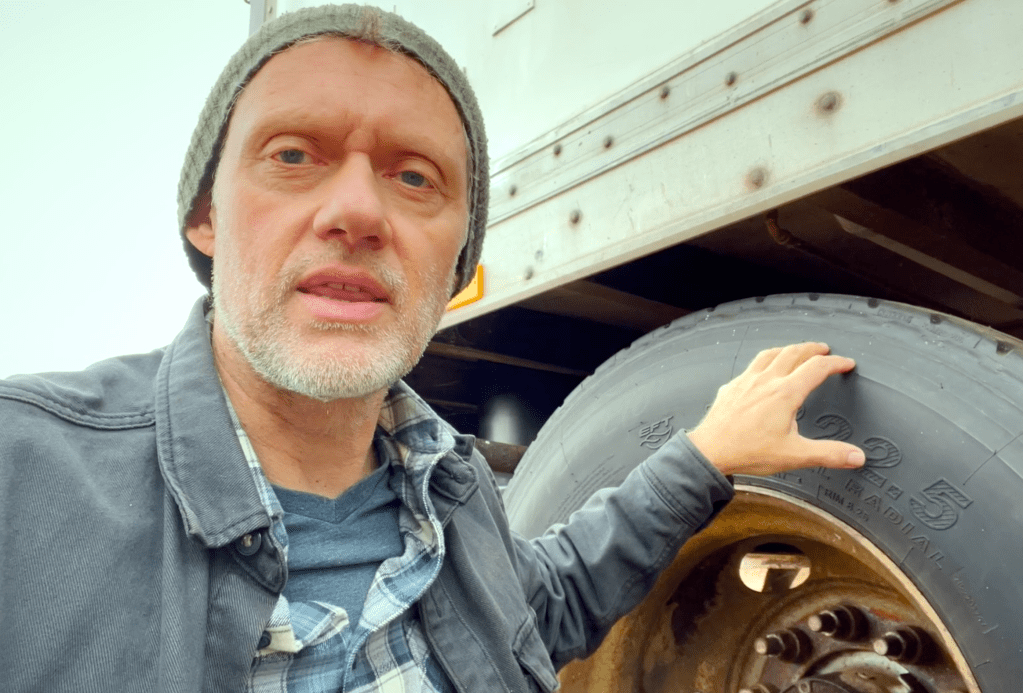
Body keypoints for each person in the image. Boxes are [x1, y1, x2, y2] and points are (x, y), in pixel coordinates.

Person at [0, 5, 865, 692]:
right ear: (206, 217)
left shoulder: (450, 487)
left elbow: (545, 603)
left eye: (414, 177)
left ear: (456, 260)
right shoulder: (23, 475)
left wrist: (703, 454)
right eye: (294, 154)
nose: (357, 212)